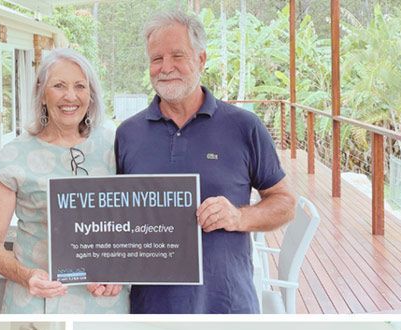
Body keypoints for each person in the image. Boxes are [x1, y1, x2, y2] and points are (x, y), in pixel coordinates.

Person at [115, 11, 296, 314]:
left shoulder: (244, 126)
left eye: (177, 56)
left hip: (227, 304)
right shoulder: (128, 134)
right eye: (156, 59)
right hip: (150, 309)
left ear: (201, 59)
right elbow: (115, 217)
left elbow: (285, 202)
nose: (166, 67)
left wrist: (239, 218)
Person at [0, 48, 128, 313]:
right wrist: (26, 275)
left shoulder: (114, 143)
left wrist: (122, 268)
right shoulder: (13, 157)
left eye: (80, 86)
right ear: (42, 93)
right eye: (59, 85)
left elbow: (137, 218)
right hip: (38, 301)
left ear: (91, 95)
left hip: (106, 300)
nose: (70, 96)